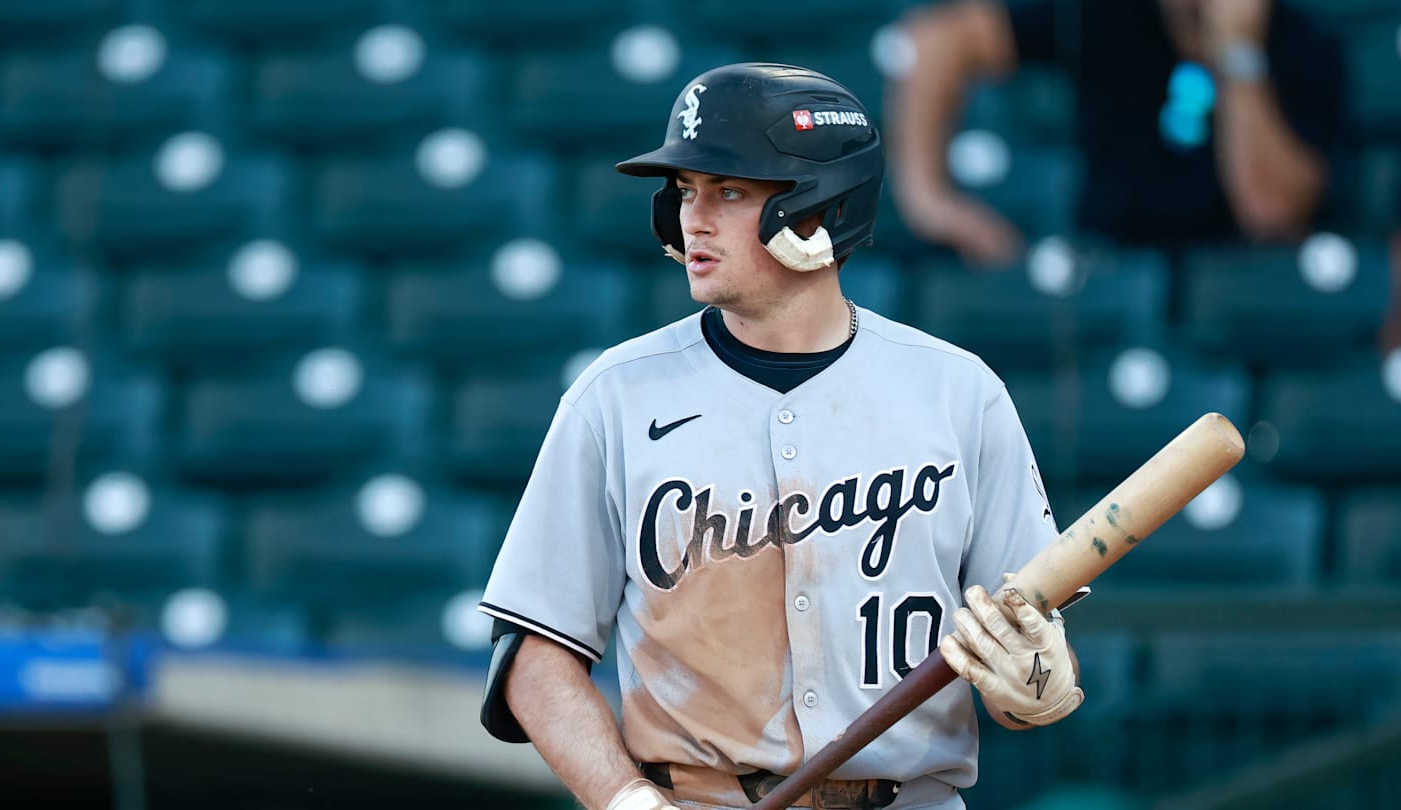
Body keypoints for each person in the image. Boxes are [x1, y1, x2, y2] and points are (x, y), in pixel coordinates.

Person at [477, 63, 1082, 810]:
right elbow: (535, 656)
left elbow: (1020, 666)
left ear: (819, 209)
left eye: (729, 192)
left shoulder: (958, 394)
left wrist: (1037, 681)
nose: (692, 219)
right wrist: (626, 800)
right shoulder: (617, 397)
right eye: (685, 193)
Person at [886, 0, 1345, 267]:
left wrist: (1238, 52)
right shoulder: (1111, 13)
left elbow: (1272, 212)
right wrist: (930, 202)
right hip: (1110, 267)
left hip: (1233, 283)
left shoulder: (1307, 46)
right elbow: (935, 41)